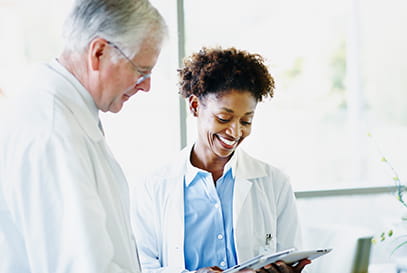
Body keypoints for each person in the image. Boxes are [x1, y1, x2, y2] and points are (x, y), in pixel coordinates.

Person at [0, 0, 167, 272]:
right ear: (99, 53)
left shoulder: (66, 116)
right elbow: (82, 266)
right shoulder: (53, 132)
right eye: (141, 71)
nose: (146, 87)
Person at [131, 47, 310, 273]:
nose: (235, 132)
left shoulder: (275, 183)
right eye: (224, 118)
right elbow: (141, 267)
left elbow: (290, 255)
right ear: (195, 106)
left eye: (246, 121)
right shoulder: (153, 186)